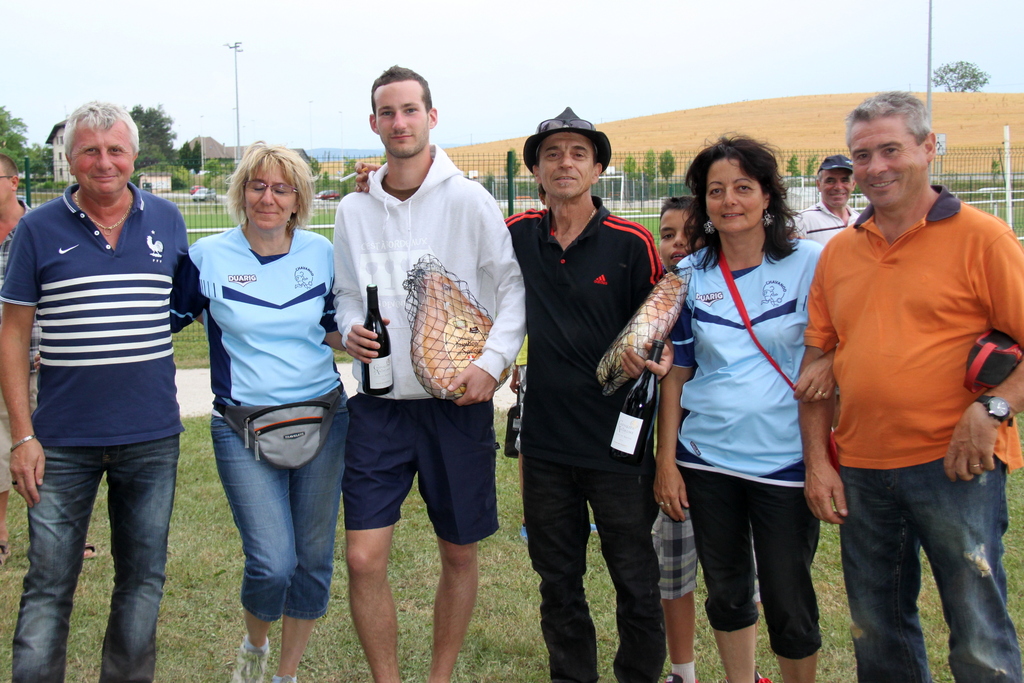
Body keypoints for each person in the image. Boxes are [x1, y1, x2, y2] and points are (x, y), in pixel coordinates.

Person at [800, 91, 1024, 683]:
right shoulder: (838, 253)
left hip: (957, 466)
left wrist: (993, 408)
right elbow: (815, 369)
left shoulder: (983, 238)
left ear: (928, 148)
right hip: (862, 469)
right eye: (862, 155)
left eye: (890, 150)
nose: (875, 167)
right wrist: (819, 464)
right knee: (877, 634)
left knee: (978, 634)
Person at [332, 65, 525, 683]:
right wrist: (350, 328)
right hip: (379, 407)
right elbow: (344, 295)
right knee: (363, 559)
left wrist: (492, 364)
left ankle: (439, 677)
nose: (400, 122)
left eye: (410, 110)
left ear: (432, 117)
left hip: (455, 405)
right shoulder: (353, 208)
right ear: (373, 123)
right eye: (388, 113)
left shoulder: (469, 200)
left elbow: (512, 289)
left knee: (458, 554)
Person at [0, 101, 189, 682]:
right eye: (89, 150)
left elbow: (182, 304)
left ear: (134, 156)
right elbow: (13, 335)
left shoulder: (168, 220)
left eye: (115, 150)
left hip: (151, 436)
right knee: (49, 582)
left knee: (143, 580)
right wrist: (22, 436)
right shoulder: (36, 229)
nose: (104, 162)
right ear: (70, 160)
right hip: (61, 441)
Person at [506, 108, 672, 683]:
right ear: (536, 170)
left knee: (635, 580)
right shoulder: (517, 234)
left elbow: (661, 323)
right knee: (558, 583)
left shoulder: (632, 242)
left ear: (598, 168)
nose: (565, 163)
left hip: (618, 446)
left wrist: (654, 355)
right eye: (552, 154)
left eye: (579, 153)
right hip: (546, 445)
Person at [174, 143, 349, 683]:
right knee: (273, 562)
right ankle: (255, 646)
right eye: (257, 186)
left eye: (281, 188)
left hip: (324, 418)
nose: (267, 198)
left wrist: (359, 340)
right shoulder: (207, 257)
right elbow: (163, 322)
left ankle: (285, 675)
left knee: (313, 559)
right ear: (241, 193)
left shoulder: (322, 253)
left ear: (298, 199)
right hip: (241, 424)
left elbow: (330, 327)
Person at [656, 136, 827, 683]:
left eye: (743, 188)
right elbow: (677, 373)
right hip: (706, 460)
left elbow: (836, 350)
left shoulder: (810, 263)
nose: (729, 201)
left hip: (785, 462)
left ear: (768, 195)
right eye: (716, 191)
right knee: (727, 593)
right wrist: (666, 462)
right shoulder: (688, 275)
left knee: (788, 601)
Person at [0, 152, 38, 569]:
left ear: (13, 182)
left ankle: (62, 531)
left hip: (38, 358)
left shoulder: (39, 227)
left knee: (47, 447)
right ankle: (0, 533)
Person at [793, 154, 859, 245]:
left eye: (844, 180)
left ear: (853, 185)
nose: (838, 187)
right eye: (830, 181)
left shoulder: (860, 221)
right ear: (818, 185)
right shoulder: (801, 222)